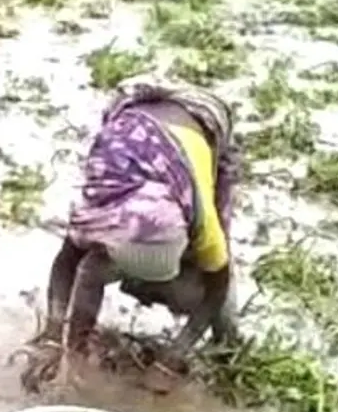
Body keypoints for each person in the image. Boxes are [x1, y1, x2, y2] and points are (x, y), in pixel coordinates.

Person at [17, 78, 242, 394]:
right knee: (90, 271)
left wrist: (172, 358)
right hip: (132, 133)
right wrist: (54, 339)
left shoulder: (202, 223)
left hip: (201, 126)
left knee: (209, 288)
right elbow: (67, 263)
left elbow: (218, 284)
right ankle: (77, 345)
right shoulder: (101, 210)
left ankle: (229, 353)